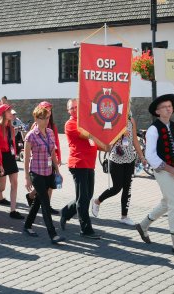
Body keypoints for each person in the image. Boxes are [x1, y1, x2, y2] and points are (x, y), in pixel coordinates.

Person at [135, 94, 174, 257]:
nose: (169, 109)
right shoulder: (154, 129)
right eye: (164, 107)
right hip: (162, 171)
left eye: (170, 106)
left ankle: (143, 225)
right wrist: (171, 169)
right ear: (157, 111)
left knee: (166, 202)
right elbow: (151, 156)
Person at [60, 99, 109, 239]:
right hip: (78, 163)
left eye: (76, 107)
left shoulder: (85, 123)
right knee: (83, 199)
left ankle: (66, 211)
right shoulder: (70, 124)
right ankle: (85, 229)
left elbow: (93, 143)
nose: (74, 110)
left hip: (89, 164)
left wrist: (105, 145)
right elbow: (86, 135)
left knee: (86, 196)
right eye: (72, 108)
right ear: (68, 111)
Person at [90, 110, 146, 227]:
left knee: (127, 188)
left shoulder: (131, 120)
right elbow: (107, 144)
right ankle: (97, 201)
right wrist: (119, 133)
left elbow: (135, 139)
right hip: (116, 158)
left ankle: (124, 216)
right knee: (117, 187)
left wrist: (141, 156)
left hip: (130, 158)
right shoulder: (112, 120)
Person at [23, 105, 65, 244]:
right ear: (36, 118)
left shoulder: (50, 133)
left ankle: (27, 225)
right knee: (45, 203)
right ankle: (52, 234)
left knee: (38, 202)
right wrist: (27, 178)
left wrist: (57, 171)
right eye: (43, 118)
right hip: (36, 172)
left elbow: (52, 152)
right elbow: (26, 157)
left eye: (48, 118)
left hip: (48, 172)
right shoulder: (30, 136)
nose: (47, 120)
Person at [25, 101, 61, 215]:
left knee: (50, 186)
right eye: (46, 109)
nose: (49, 112)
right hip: (39, 166)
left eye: (50, 110)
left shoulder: (51, 127)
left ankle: (45, 205)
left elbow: (56, 144)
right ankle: (44, 205)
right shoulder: (35, 128)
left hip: (50, 161)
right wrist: (27, 176)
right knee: (43, 188)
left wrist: (58, 156)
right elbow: (29, 149)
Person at [0, 104, 24, 219]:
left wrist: (14, 154)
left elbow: (12, 143)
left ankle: (13, 210)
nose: (11, 113)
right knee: (1, 187)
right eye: (8, 111)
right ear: (3, 113)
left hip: (10, 157)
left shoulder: (10, 127)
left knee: (15, 183)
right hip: (2, 158)